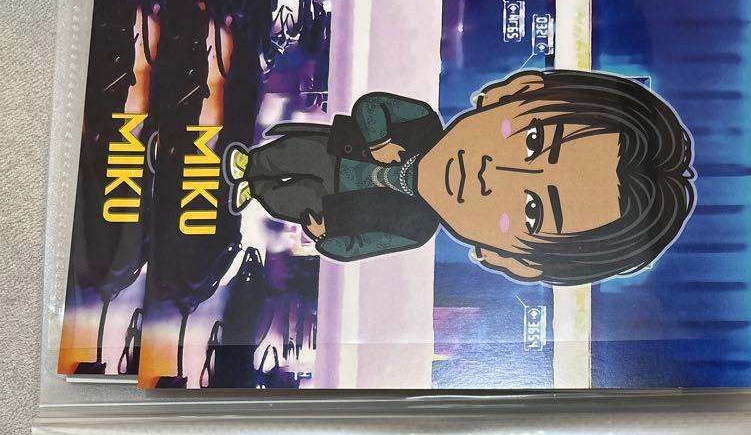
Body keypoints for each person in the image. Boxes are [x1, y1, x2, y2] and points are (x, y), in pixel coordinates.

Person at [223, 68, 695, 284]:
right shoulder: (423, 123)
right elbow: (372, 106)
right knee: (293, 153)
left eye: (532, 210)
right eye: (533, 140)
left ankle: (256, 192)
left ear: (513, 262)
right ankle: (253, 167)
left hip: (331, 206)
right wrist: (379, 139)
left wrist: (327, 239)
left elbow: (362, 246)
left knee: (292, 201)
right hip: (335, 152)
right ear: (514, 91)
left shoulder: (416, 229)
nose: (493, 175)